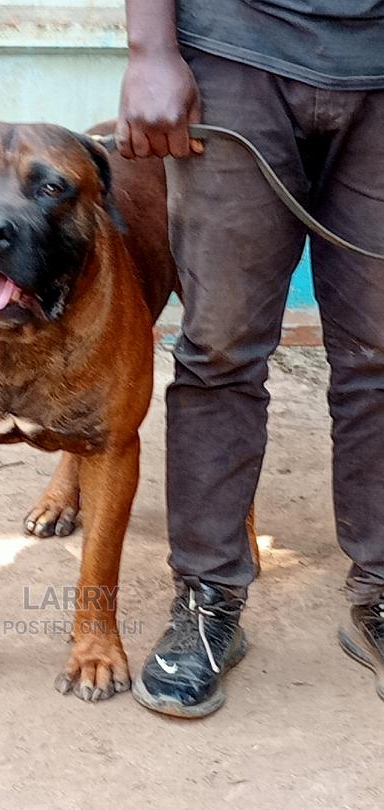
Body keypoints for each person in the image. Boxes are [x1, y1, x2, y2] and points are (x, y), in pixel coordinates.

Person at [116, 0, 384, 716]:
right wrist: (150, 49)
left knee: (380, 352)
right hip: (234, 56)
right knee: (221, 347)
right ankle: (208, 602)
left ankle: (381, 592)